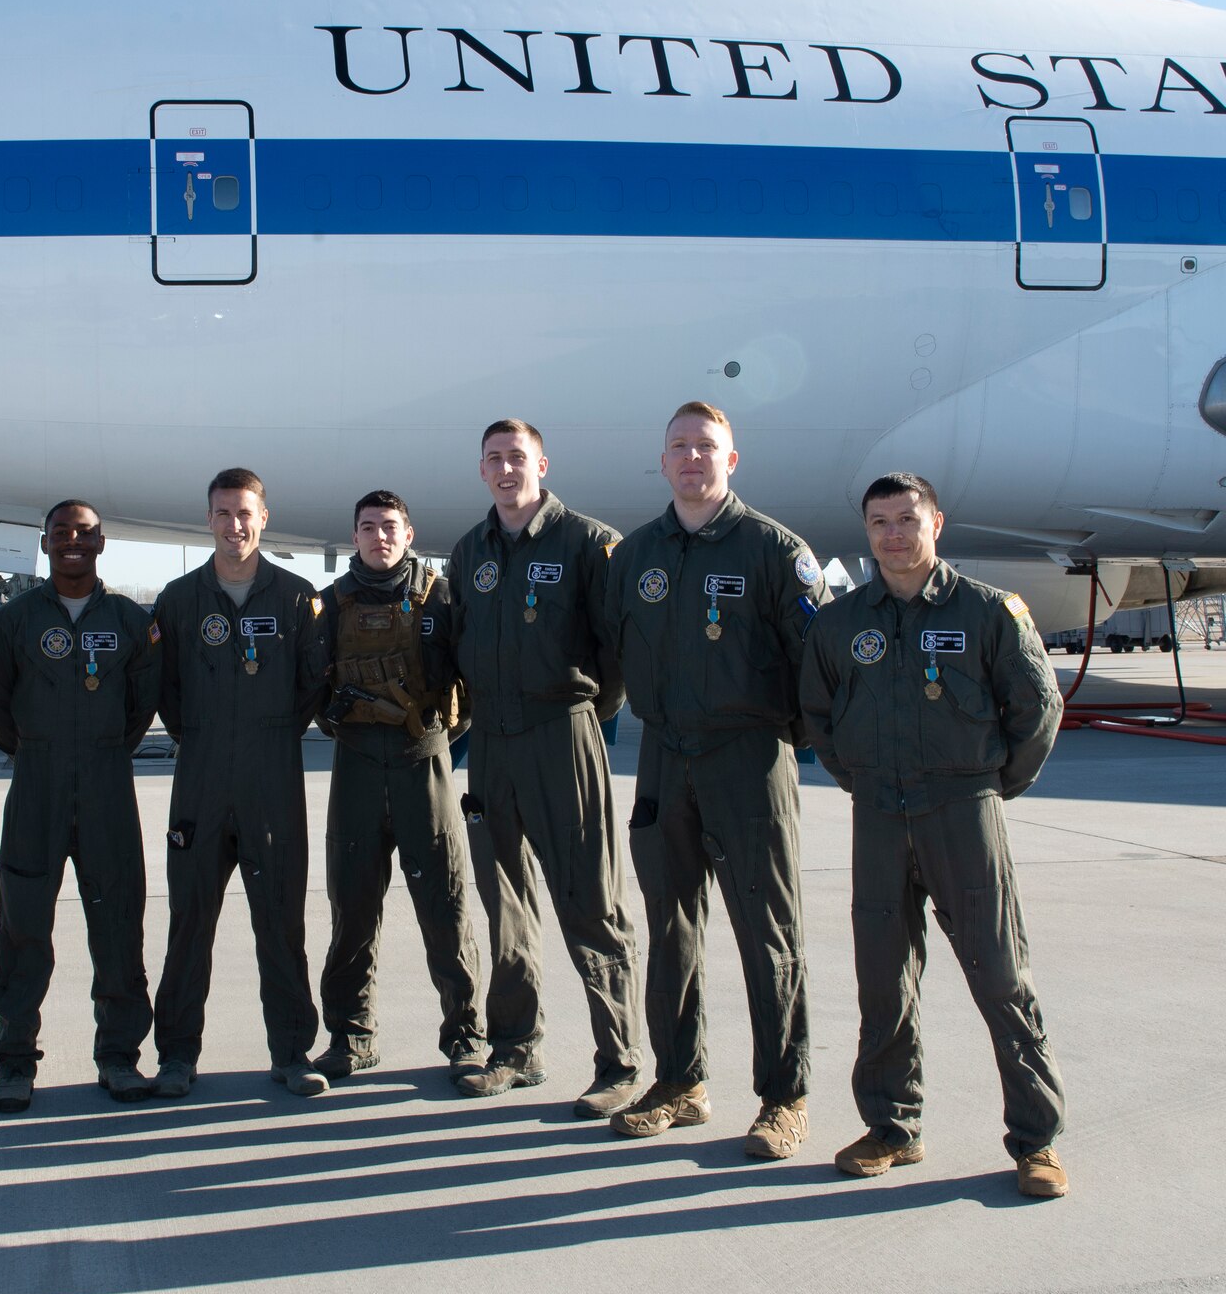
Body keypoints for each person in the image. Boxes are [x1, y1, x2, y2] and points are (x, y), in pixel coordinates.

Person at [800, 472, 1069, 1198]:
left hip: (962, 813)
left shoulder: (988, 612)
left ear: (936, 523)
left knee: (1000, 975)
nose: (894, 533)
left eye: (907, 519)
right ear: (867, 532)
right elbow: (818, 717)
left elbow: (1038, 710)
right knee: (883, 980)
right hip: (879, 817)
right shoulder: (842, 623)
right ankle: (892, 1127)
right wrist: (862, 777)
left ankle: (1036, 1141)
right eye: (880, 522)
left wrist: (987, 786)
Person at [599, 403, 829, 1156]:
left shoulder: (773, 551)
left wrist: (778, 740)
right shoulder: (634, 558)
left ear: (732, 461)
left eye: (706, 447)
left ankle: (784, 1096)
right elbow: (606, 654)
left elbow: (818, 665)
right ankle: (679, 1082)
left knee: (768, 934)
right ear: (661, 462)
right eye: (679, 447)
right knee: (669, 929)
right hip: (664, 760)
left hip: (748, 761)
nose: (692, 458)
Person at [447, 419, 644, 1114]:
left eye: (518, 458)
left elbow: (616, 651)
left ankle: (619, 1060)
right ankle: (515, 1049)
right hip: (493, 743)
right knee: (505, 904)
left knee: (590, 901)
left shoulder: (589, 542)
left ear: (542, 464)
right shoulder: (469, 551)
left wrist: (584, 712)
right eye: (494, 459)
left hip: (564, 732)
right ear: (482, 470)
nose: (506, 469)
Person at [0, 500, 160, 1111]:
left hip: (109, 786)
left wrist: (102, 750)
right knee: (23, 927)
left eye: (84, 533)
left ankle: (119, 1059)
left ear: (102, 543)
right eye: (61, 534)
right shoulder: (14, 623)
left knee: (118, 927)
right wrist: (39, 752)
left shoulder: (132, 622)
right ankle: (15, 1063)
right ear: (46, 543)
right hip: (36, 788)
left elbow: (143, 705)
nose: (73, 542)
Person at [150, 468, 329, 1098]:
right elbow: (164, 688)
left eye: (245, 513)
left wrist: (269, 730)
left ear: (263, 516)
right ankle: (176, 1055)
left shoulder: (296, 597)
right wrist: (201, 731)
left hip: (272, 782)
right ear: (209, 520)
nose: (235, 526)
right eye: (223, 514)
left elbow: (313, 683)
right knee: (188, 922)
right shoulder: (177, 601)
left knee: (281, 923)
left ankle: (291, 1052)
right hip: (198, 782)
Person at [312, 490, 484, 1082]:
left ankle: (465, 1036)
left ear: (408, 534)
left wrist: (429, 734)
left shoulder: (442, 600)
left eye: (390, 527)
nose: (379, 537)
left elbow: (470, 687)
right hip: (356, 768)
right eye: (367, 527)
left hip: (424, 767)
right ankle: (350, 1037)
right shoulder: (330, 605)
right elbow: (316, 691)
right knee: (352, 909)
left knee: (446, 906)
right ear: (354, 536)